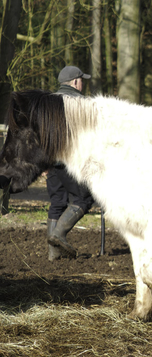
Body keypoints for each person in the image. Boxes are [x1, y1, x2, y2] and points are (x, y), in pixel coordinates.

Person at [46, 65, 95, 261]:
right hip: (71, 162)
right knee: (83, 199)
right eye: (82, 80)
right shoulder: (81, 103)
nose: (83, 83)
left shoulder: (48, 103)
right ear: (75, 82)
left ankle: (53, 254)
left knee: (57, 202)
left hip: (51, 161)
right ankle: (57, 235)